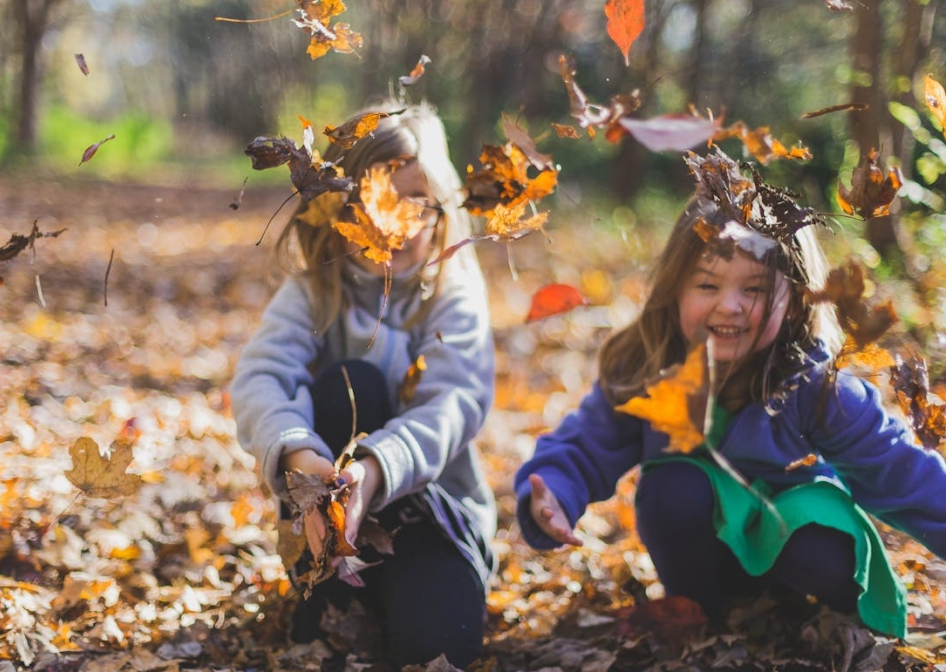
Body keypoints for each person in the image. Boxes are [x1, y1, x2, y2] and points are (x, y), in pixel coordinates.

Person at [514, 183, 946, 639]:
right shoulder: (650, 367)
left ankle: (816, 618)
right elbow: (587, 442)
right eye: (707, 284)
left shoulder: (817, 387)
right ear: (675, 290)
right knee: (673, 485)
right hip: (706, 554)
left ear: (796, 300)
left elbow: (901, 472)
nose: (730, 305)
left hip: (799, 544)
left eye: (755, 289)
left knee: (814, 534)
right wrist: (554, 492)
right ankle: (703, 615)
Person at [230, 101, 496, 668]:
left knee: (440, 648)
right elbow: (261, 377)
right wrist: (300, 454)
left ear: (440, 206)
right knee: (350, 382)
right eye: (371, 200)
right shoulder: (313, 293)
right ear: (334, 209)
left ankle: (414, 595)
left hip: (432, 521)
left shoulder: (451, 292)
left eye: (413, 202)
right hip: (326, 526)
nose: (392, 223)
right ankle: (327, 588)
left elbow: (454, 402)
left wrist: (373, 472)